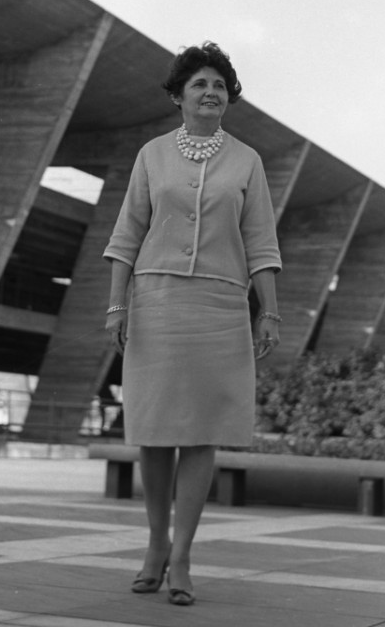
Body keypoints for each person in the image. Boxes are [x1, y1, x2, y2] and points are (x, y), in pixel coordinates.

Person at [103, 41, 282, 606]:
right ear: (178, 96)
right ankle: (155, 544)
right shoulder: (152, 155)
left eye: (220, 86)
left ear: (229, 98)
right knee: (155, 432)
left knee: (203, 432)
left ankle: (182, 556)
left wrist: (268, 310)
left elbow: (261, 242)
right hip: (156, 304)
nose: (211, 93)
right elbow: (127, 233)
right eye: (200, 84)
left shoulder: (247, 161)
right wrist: (116, 304)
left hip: (221, 308)